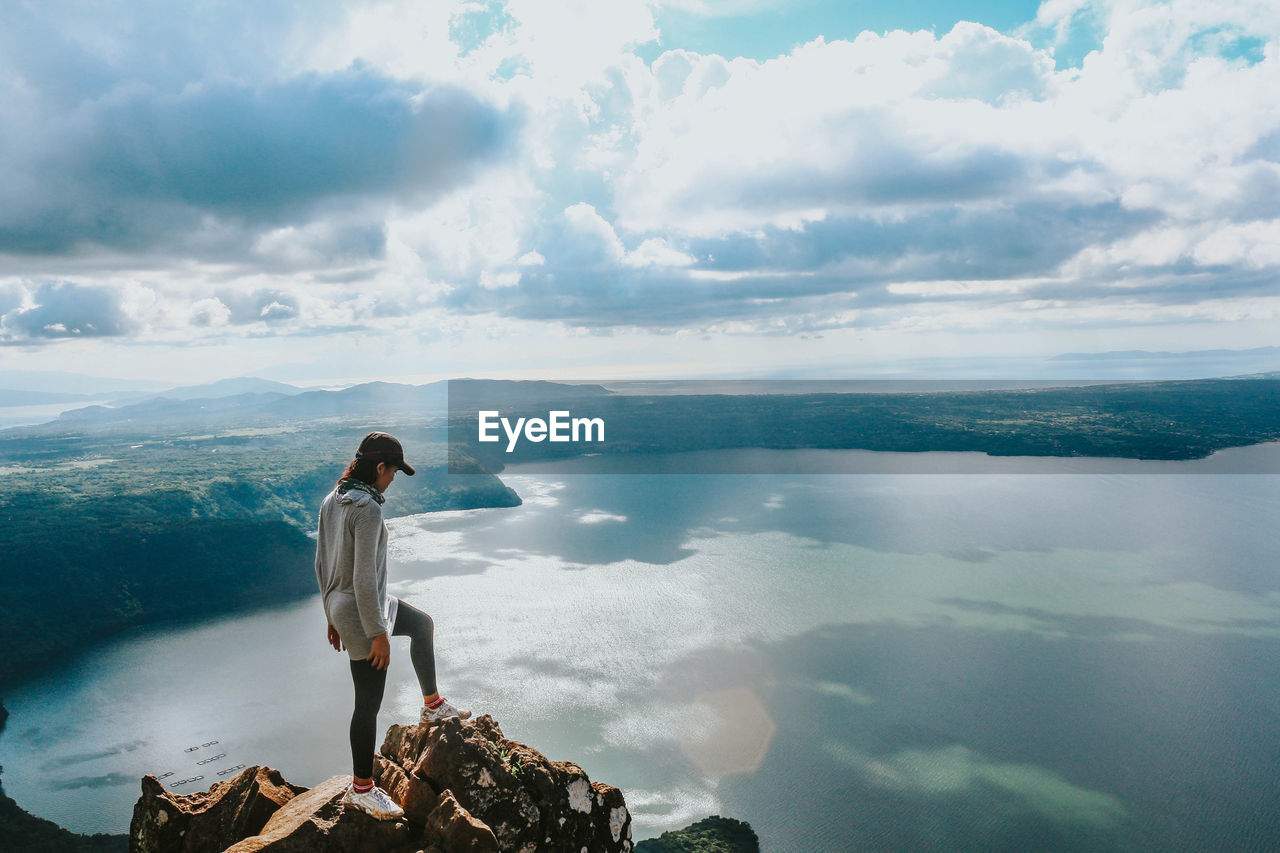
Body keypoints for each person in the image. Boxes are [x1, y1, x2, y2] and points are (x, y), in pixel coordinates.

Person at [314, 431, 471, 821]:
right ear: (379, 467)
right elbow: (364, 578)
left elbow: (321, 563)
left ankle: (433, 706)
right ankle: (362, 789)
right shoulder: (366, 509)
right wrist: (378, 634)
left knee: (422, 625)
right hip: (362, 611)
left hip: (350, 606)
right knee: (367, 703)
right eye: (393, 472)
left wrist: (328, 614)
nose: (393, 480)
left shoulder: (332, 499)